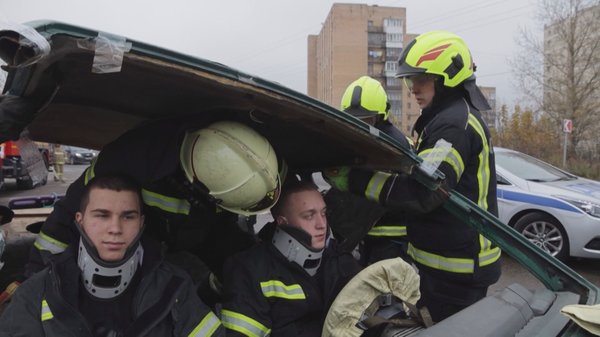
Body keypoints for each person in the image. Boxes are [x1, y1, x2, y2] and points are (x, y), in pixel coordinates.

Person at [324, 30, 501, 322]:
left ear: (448, 78)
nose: (413, 88)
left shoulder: (453, 127)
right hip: (450, 265)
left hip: (457, 270)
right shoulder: (446, 119)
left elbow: (425, 192)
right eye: (410, 80)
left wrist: (354, 181)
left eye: (421, 79)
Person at [24, 119, 280, 293]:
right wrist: (36, 278)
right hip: (146, 235)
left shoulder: (251, 166)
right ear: (197, 182)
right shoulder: (132, 157)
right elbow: (70, 213)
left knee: (241, 266)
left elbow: (226, 235)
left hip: (202, 233)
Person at [0, 174, 224, 336]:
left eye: (128, 217)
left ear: (141, 222)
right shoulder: (37, 292)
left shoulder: (174, 287)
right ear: (80, 220)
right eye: (102, 215)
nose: (115, 228)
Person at [220, 179, 361, 337]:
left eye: (323, 213)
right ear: (282, 222)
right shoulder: (250, 270)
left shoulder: (340, 261)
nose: (321, 224)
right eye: (309, 216)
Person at [333, 75, 412, 265]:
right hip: (369, 235)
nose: (360, 126)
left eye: (366, 120)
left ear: (380, 116)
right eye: (354, 120)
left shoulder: (391, 146)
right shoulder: (368, 141)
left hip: (392, 239)